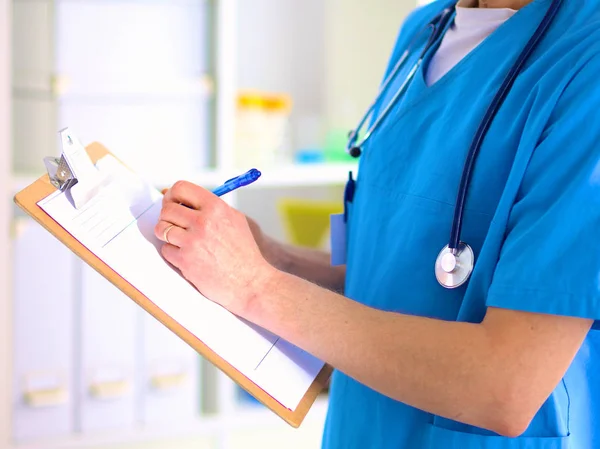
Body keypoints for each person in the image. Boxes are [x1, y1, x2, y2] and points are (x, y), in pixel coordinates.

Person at [154, 0, 600, 447]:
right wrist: (273, 257)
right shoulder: (423, 32)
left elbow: (506, 385)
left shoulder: (587, 58)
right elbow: (393, 278)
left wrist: (257, 285)